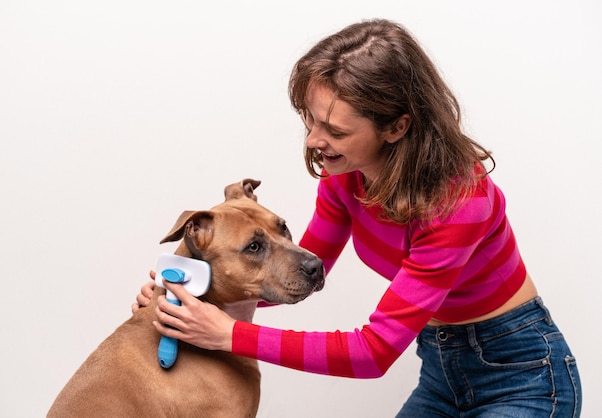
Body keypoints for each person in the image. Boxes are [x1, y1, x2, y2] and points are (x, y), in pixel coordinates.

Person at [133, 19, 582, 416]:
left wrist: (230, 334)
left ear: (396, 127)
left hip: (522, 372)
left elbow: (373, 352)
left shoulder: (459, 201)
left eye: (335, 130)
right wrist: (187, 300)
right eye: (310, 120)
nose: (313, 141)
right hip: (442, 372)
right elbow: (299, 277)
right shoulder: (344, 178)